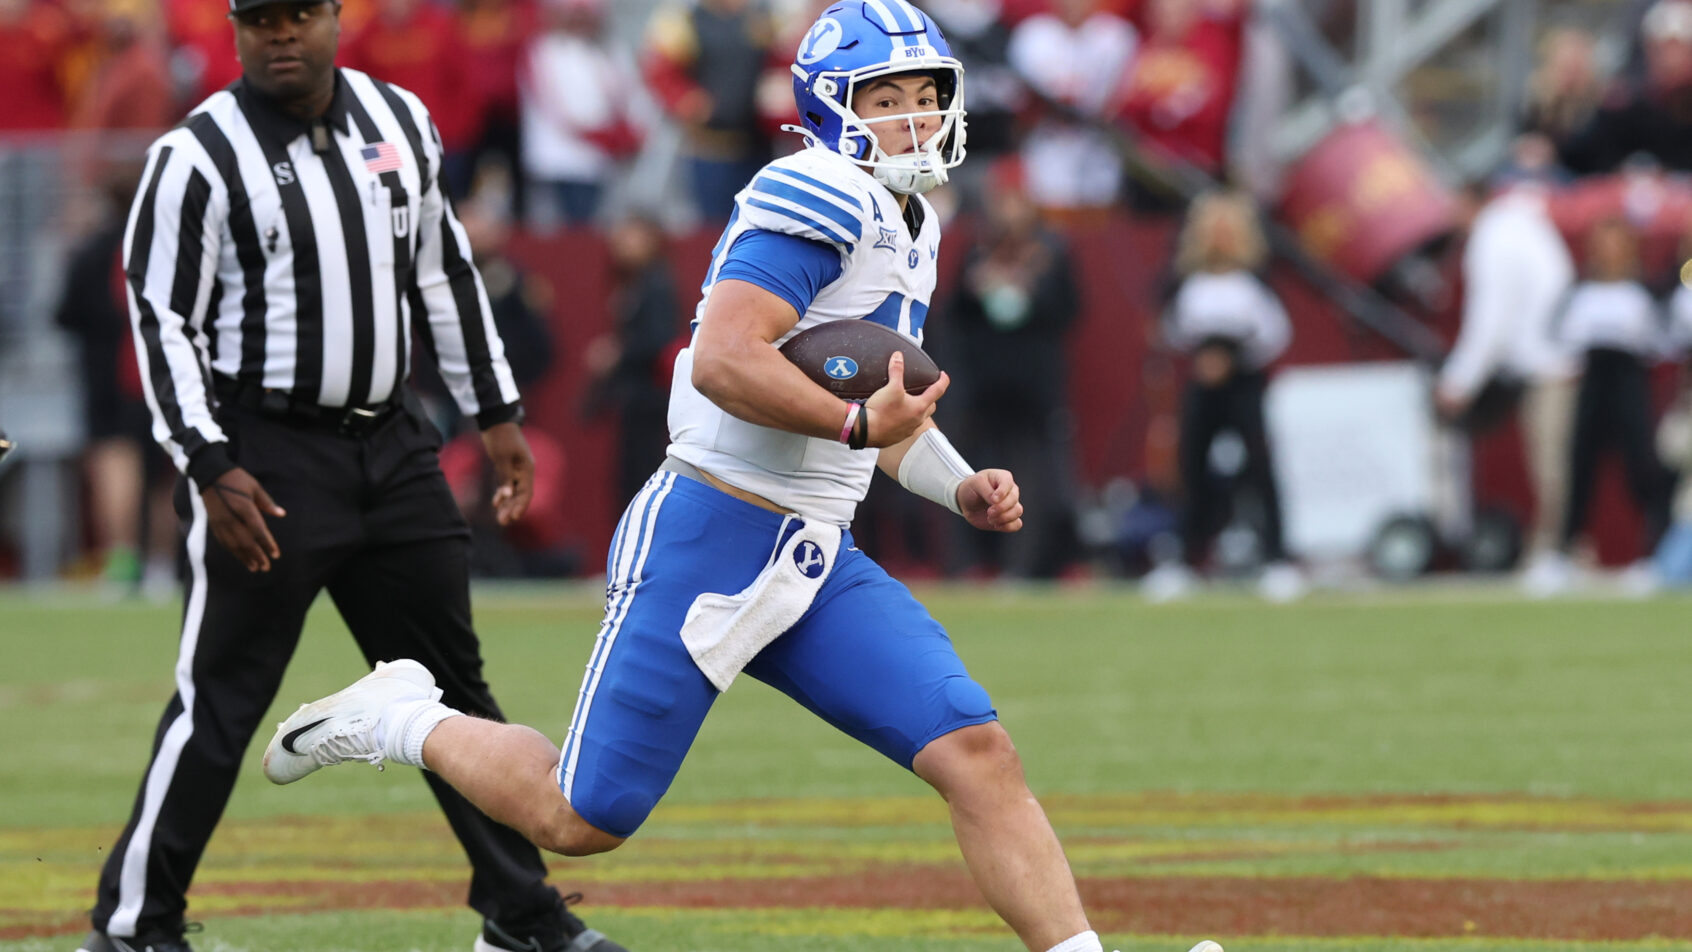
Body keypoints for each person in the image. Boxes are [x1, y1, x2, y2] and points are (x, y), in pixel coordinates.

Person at [260, 5, 1223, 952]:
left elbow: (872, 407)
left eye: (929, 95)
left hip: (814, 554)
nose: (918, 118)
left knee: (977, 752)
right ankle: (402, 717)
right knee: (579, 816)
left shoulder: (913, 219)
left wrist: (956, 483)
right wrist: (855, 422)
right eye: (889, 97)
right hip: (712, 532)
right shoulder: (820, 186)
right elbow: (726, 356)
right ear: (836, 107)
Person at [81, 1, 627, 951]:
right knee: (220, 698)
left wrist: (496, 415)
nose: (281, 35)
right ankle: (133, 926)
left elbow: (443, 273)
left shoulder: (399, 119)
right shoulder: (197, 153)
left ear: (336, 17)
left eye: (299, 14)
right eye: (260, 19)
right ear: (237, 29)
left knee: (454, 689)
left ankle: (519, 913)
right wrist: (208, 460)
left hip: (392, 443)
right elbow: (161, 318)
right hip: (268, 454)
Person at [1141, 190, 1299, 602]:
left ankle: (1277, 558)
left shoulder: (1254, 281)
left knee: (1259, 467)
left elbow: (1275, 333)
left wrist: (1233, 358)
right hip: (1201, 384)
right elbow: (1171, 328)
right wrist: (1203, 356)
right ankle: (1187, 558)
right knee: (1192, 468)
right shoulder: (1187, 283)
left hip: (1244, 384)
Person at [1532, 216, 1674, 595]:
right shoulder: (1579, 290)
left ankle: (1653, 557)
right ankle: (1563, 554)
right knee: (1580, 468)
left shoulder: (1647, 291)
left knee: (1641, 469)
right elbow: (1555, 336)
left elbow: (1664, 337)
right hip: (1592, 382)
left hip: (1630, 383)